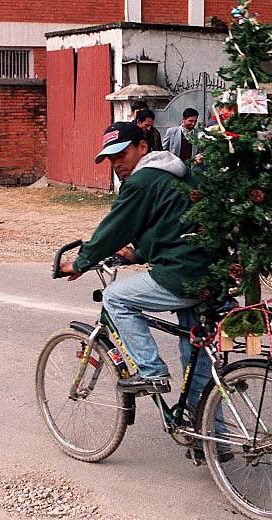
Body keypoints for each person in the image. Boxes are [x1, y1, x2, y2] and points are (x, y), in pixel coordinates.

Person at [59, 122, 214, 402]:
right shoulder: (177, 173)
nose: (117, 164)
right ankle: (207, 436)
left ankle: (151, 371)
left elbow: (115, 227)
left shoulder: (142, 181)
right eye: (112, 159)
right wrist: (137, 253)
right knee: (196, 358)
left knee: (115, 298)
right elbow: (170, 225)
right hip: (209, 272)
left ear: (143, 147)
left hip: (183, 273)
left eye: (122, 155)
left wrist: (81, 262)